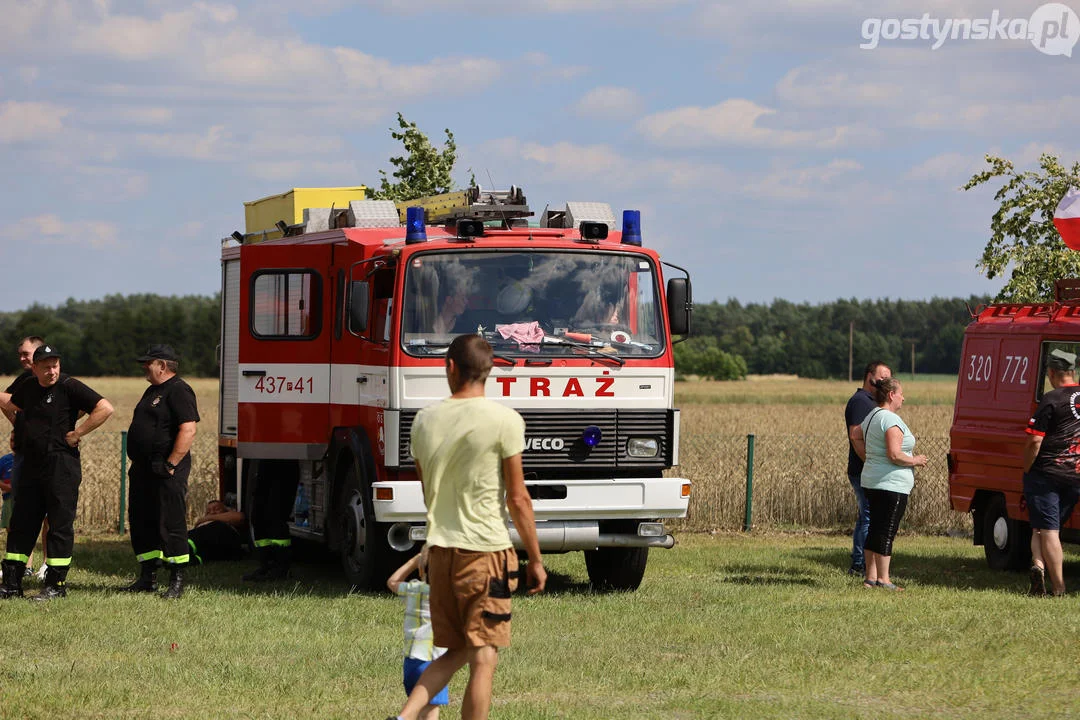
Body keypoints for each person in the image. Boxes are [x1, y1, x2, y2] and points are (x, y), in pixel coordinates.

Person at [390, 334, 547, 720]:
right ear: (489, 373)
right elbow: (518, 498)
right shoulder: (504, 420)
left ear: (450, 367)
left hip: (440, 554)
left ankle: (404, 717)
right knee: (483, 658)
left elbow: (429, 490)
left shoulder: (424, 421)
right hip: (486, 554)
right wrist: (536, 559)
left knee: (457, 648)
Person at [0, 344, 114, 600]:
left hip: (61, 466)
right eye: (46, 367)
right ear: (35, 368)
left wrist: (78, 433)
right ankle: (11, 583)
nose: (52, 371)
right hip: (30, 465)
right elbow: (11, 404)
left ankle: (55, 585)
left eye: (56, 366)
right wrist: (19, 433)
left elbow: (105, 408)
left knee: (60, 526)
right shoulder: (28, 387)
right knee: (21, 523)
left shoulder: (69, 386)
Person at [122, 344, 200, 599]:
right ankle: (147, 576)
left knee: (170, 522)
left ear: (163, 365)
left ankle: (176, 580)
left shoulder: (179, 390)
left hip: (166, 468)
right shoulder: (152, 390)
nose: (145, 366)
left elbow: (188, 429)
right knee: (143, 520)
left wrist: (171, 464)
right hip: (143, 468)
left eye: (148, 362)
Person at [859, 376, 927, 591]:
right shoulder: (890, 420)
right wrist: (916, 460)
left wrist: (871, 458)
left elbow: (855, 434)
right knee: (887, 530)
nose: (903, 398)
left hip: (872, 480)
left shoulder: (871, 416)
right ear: (891, 395)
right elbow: (895, 454)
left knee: (874, 528)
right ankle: (884, 580)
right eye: (901, 394)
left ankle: (870, 578)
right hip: (891, 484)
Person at [1022, 348, 1080, 597]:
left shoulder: (1051, 399)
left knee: (1048, 530)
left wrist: (1026, 468)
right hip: (1076, 474)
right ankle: (1037, 565)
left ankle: (1058, 588)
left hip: (1047, 474)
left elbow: (1035, 442)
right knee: (1042, 526)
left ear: (1053, 373)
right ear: (1073, 371)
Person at [2, 336, 48, 578]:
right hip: (25, 455)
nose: (21, 358)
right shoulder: (24, 379)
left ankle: (48, 565)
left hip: (51, 458)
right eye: (19, 353)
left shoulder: (54, 377)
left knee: (51, 515)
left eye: (26, 353)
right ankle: (25, 567)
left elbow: (84, 405)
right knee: (22, 511)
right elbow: (4, 400)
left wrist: (68, 431)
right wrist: (19, 426)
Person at [387, 551, 450, 720]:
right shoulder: (449, 595)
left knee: (419, 708)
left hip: (411, 662)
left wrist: (412, 562)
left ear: (422, 570)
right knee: (430, 713)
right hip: (434, 662)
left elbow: (392, 582)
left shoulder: (414, 590)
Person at [844, 361, 892, 576]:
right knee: (868, 517)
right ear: (869, 376)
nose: (885, 381)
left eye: (889, 377)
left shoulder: (870, 401)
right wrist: (870, 463)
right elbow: (856, 436)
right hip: (862, 469)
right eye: (882, 376)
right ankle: (860, 564)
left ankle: (862, 562)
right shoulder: (861, 402)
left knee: (866, 516)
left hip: (867, 469)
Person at [242, 459, 299, 582]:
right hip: (266, 457)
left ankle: (281, 567)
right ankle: (265, 565)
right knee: (258, 515)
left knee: (275, 516)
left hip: (285, 459)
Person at [187, 499, 247, 565]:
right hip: (211, 549)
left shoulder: (225, 520)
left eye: (216, 509)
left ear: (226, 510)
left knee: (217, 525)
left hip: (227, 542)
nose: (212, 512)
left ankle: (185, 546)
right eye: (208, 511)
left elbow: (240, 517)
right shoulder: (203, 525)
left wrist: (206, 518)